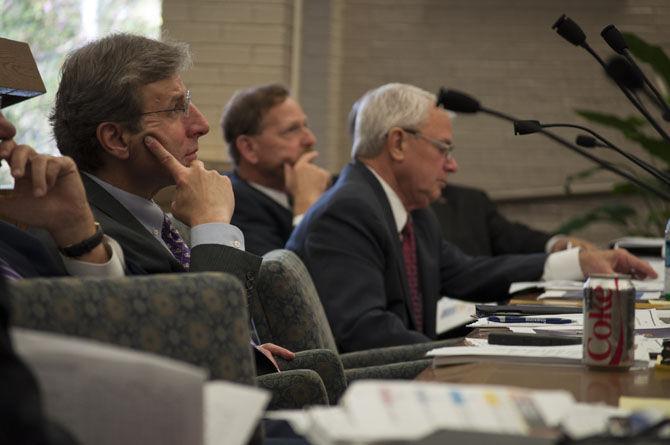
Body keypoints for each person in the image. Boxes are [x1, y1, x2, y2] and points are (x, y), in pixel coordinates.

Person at [287, 83, 656, 353]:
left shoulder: (412, 214)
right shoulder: (348, 211)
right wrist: (463, 351)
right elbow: (363, 331)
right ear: (398, 143)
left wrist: (580, 261)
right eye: (443, 149)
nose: (452, 164)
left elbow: (468, 274)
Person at [49, 34, 293, 371]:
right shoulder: (84, 238)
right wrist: (213, 223)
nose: (201, 125)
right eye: (176, 109)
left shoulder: (161, 221)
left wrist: (248, 348)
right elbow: (207, 359)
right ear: (116, 138)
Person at [0, 111, 125, 278]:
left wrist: (77, 233)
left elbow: (112, 301)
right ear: (115, 138)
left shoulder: (22, 248)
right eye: (173, 108)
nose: (9, 129)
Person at [221, 84, 332, 255]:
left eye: (305, 126)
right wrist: (306, 206)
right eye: (292, 129)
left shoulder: (316, 187)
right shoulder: (231, 204)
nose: (310, 139)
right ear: (249, 148)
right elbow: (280, 278)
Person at [431, 183, 597, 256]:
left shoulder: (471, 200)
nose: (452, 165)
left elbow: (512, 238)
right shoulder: (413, 212)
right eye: (442, 150)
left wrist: (557, 245)